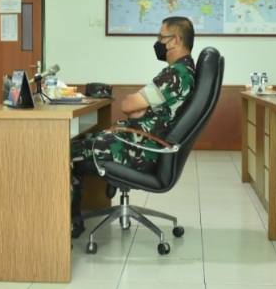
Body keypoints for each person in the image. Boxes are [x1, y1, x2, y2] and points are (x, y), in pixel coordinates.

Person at [69, 16, 196, 237]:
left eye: (161, 37)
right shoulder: (185, 71)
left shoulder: (176, 74)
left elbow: (128, 104)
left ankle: (66, 223)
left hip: (142, 150)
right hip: (145, 145)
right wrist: (140, 110)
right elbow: (138, 107)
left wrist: (138, 109)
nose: (158, 42)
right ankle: (74, 218)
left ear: (175, 40)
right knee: (81, 142)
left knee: (66, 151)